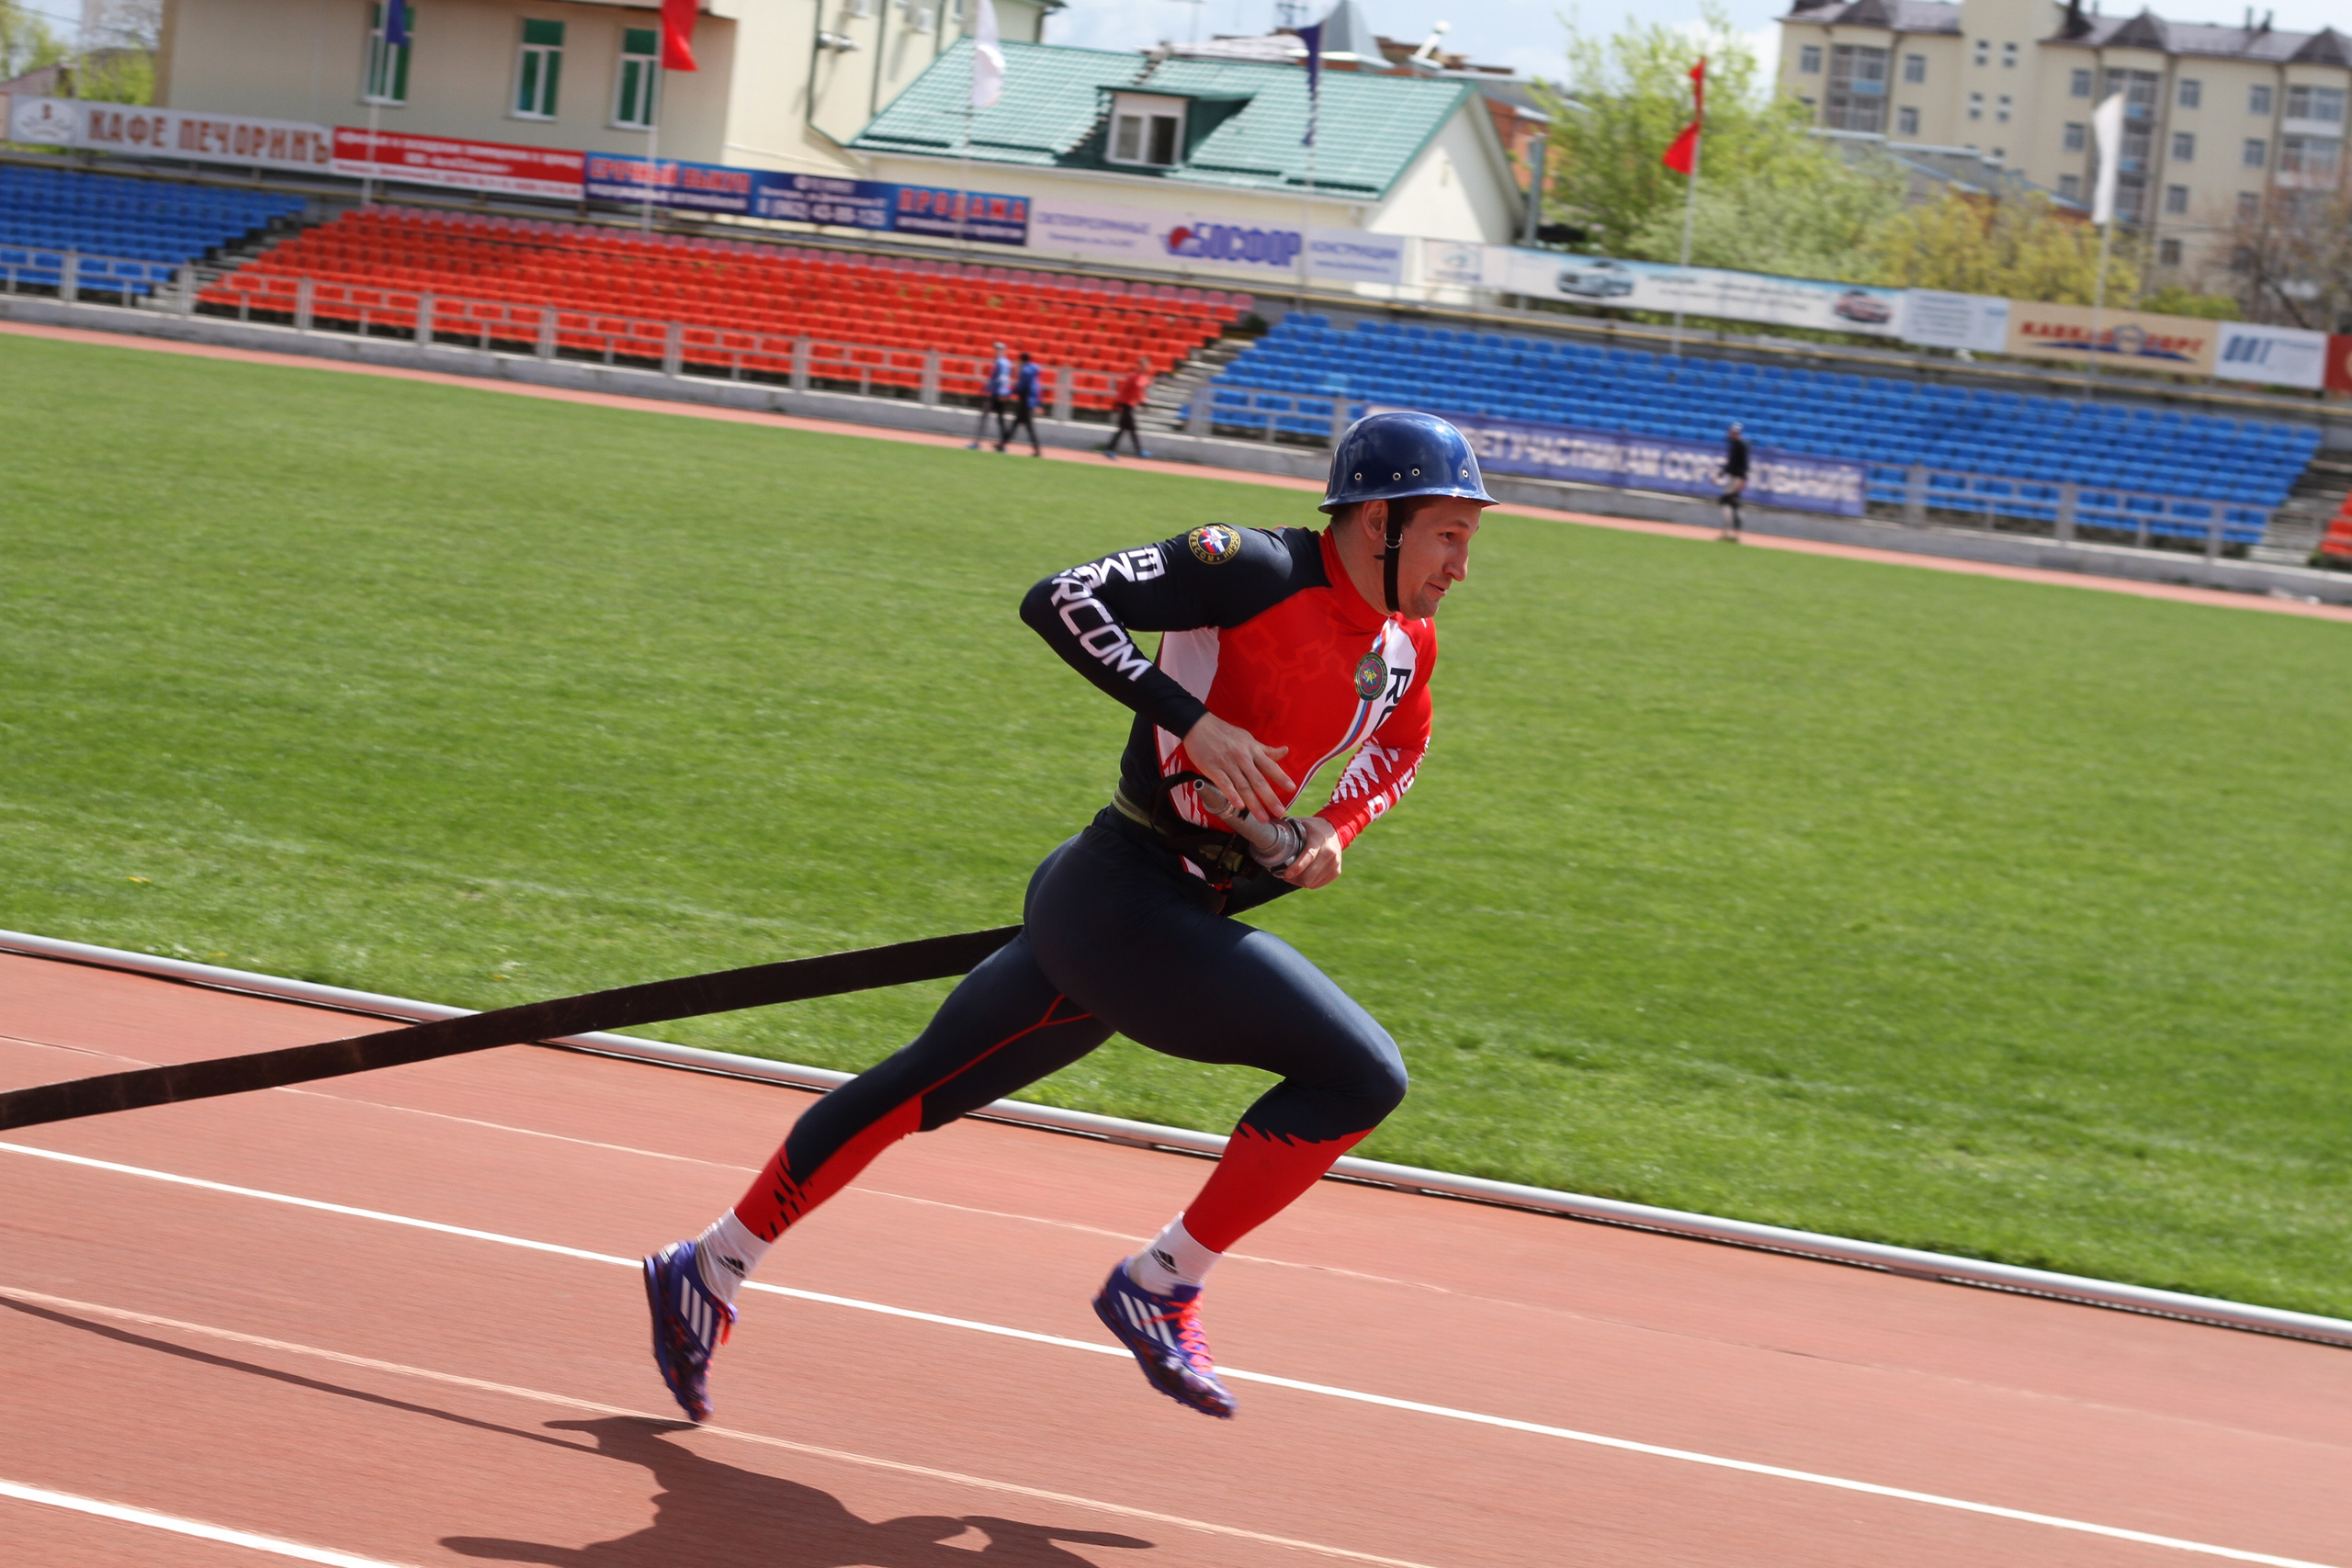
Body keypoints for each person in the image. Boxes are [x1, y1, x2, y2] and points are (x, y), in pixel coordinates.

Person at [642, 411, 1494, 1424]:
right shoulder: (1248, 568)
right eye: (1447, 535)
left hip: (1145, 909)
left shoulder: (1407, 644)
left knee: (915, 1091)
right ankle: (1161, 1282)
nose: (1460, 566)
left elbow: (1404, 749)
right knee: (1359, 1076)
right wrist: (1192, 722)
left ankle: (709, 1265)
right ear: (1376, 520)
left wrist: (1335, 829)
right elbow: (1060, 598)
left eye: (1467, 541)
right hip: (1122, 894)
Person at [1102, 355, 1154, 460]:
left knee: (1124, 429)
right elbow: (1129, 391)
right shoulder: (1134, 377)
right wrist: (1119, 403)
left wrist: (1142, 401)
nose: (1147, 367)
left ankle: (1111, 450)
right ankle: (1138, 451)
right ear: (1141, 366)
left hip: (1130, 405)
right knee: (1131, 429)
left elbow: (1139, 392)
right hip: (1126, 405)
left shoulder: (1141, 378)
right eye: (1145, 365)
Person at [999, 351, 1043, 457]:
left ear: (1021, 360)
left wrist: (1008, 393)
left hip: (1025, 402)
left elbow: (1020, 387)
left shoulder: (1026, 371)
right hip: (1028, 402)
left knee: (1024, 426)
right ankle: (1003, 444)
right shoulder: (1033, 372)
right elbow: (1036, 389)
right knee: (1019, 425)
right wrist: (1037, 403)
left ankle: (1037, 450)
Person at [969, 343, 1013, 450]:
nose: (995, 351)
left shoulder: (1000, 363)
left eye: (998, 349)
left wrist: (988, 389)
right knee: (1000, 421)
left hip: (996, 395)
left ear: (1002, 351)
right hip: (1000, 394)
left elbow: (1000, 379)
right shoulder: (1006, 363)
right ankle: (1002, 445)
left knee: (985, 418)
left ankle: (977, 442)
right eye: (995, 349)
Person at [1717, 421, 1749, 541]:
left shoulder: (1739, 445)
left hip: (1735, 478)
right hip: (1735, 477)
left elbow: (1740, 465)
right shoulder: (1738, 444)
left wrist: (1743, 479)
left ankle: (1728, 532)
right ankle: (1735, 533)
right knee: (1734, 503)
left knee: (1727, 502)